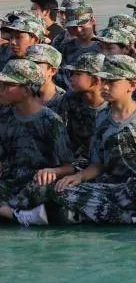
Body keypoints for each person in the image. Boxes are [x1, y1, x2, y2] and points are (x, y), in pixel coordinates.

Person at [51, 55, 136, 226]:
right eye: (104, 81)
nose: (104, 86)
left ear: (132, 85)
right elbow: (98, 165)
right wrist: (79, 177)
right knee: (62, 191)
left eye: (112, 82)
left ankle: (95, 213)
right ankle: (132, 217)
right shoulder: (101, 118)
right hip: (109, 187)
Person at [0, 59, 73, 227]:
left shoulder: (50, 121)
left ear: (26, 90)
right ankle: (15, 214)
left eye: (8, 85)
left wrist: (52, 171)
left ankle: (13, 212)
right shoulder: (5, 116)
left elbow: (69, 167)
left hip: (37, 183)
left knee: (45, 189)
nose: (1, 90)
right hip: (11, 181)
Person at [58, 52, 107, 168]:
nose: (71, 78)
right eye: (72, 74)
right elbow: (62, 136)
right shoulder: (70, 98)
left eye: (78, 74)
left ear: (97, 80)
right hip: (74, 161)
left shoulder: (112, 104)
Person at [57, 2, 100, 88]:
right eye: (74, 27)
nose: (79, 30)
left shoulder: (103, 47)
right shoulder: (65, 47)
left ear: (93, 21)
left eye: (82, 25)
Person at [24, 44, 65, 112]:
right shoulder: (22, 95)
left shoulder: (64, 101)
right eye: (27, 63)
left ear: (52, 71)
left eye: (36, 64)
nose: (28, 69)